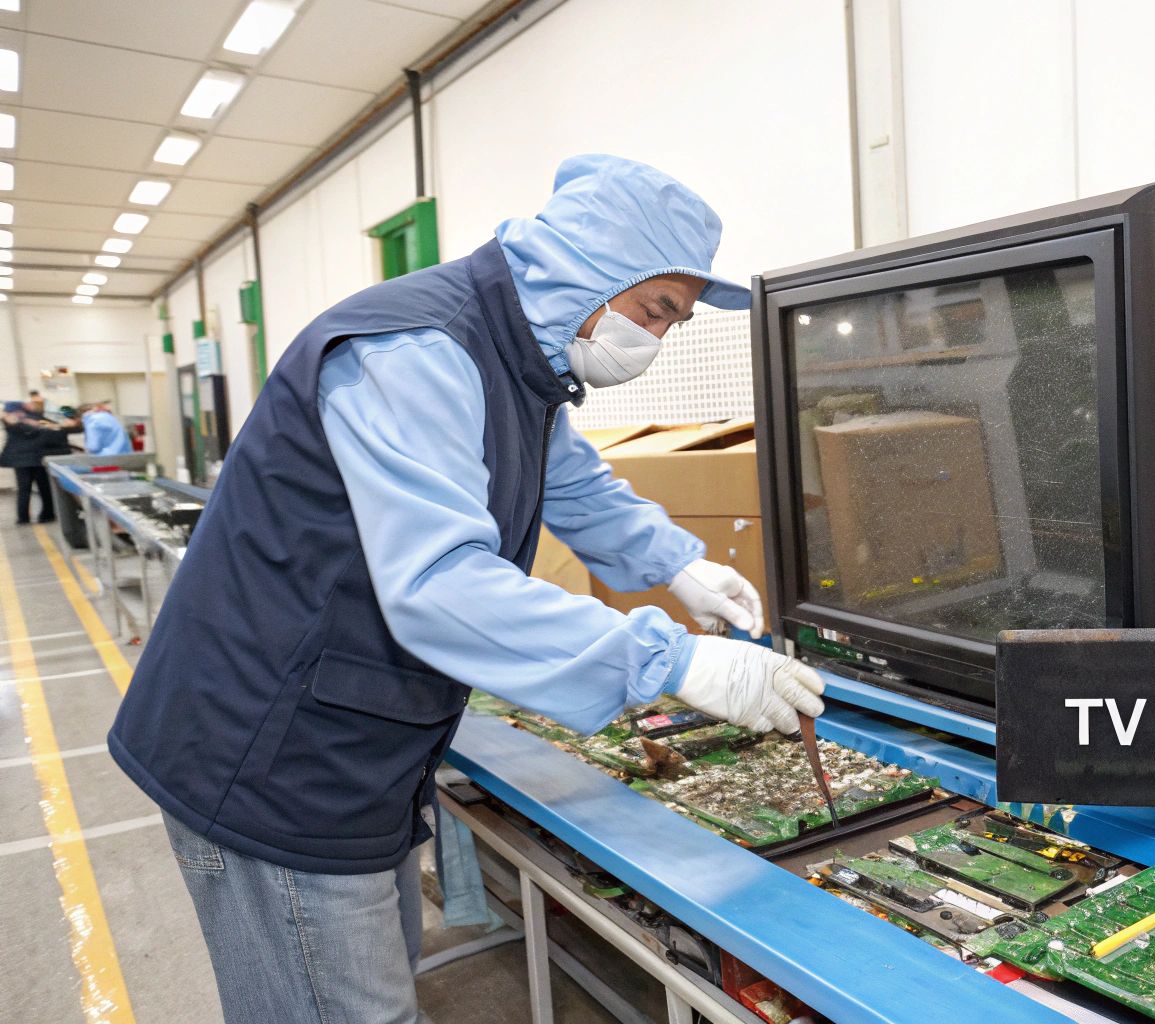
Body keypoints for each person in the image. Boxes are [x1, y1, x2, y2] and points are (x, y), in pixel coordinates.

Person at [108, 155, 827, 1024]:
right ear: (588, 274)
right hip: (270, 755)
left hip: (351, 743)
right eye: (656, 311)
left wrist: (679, 566)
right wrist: (669, 661)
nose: (658, 339)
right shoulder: (415, 350)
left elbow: (572, 483)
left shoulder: (515, 362)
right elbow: (440, 584)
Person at [3, 400, 74, 523]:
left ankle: (23, 517)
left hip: (20, 460)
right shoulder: (36, 418)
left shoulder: (10, 422)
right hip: (37, 458)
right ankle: (47, 514)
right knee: (44, 488)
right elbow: (62, 422)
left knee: (24, 489)